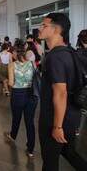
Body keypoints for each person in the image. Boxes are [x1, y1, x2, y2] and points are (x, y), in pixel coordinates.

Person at [38, 13, 87, 171]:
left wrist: (57, 126)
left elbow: (60, 93)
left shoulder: (55, 57)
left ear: (56, 30)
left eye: (44, 26)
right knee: (68, 152)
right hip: (72, 116)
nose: (40, 28)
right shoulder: (70, 52)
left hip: (55, 119)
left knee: (50, 162)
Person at [5, 41, 37, 158]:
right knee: (30, 122)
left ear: (15, 52)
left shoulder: (12, 65)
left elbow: (11, 83)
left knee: (16, 118)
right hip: (31, 95)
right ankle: (31, 149)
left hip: (18, 95)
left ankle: (13, 136)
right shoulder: (32, 63)